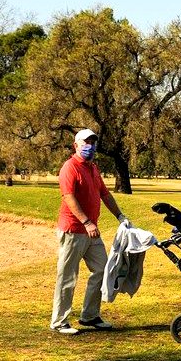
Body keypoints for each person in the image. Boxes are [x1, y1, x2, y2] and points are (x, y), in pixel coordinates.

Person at [50, 129, 128, 335]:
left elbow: (104, 193)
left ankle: (89, 315)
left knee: (103, 269)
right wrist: (86, 222)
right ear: (76, 145)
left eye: (93, 142)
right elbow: (68, 197)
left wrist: (120, 216)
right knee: (67, 276)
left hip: (91, 231)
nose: (90, 146)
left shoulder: (93, 168)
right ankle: (59, 321)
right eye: (86, 142)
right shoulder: (70, 167)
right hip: (74, 230)